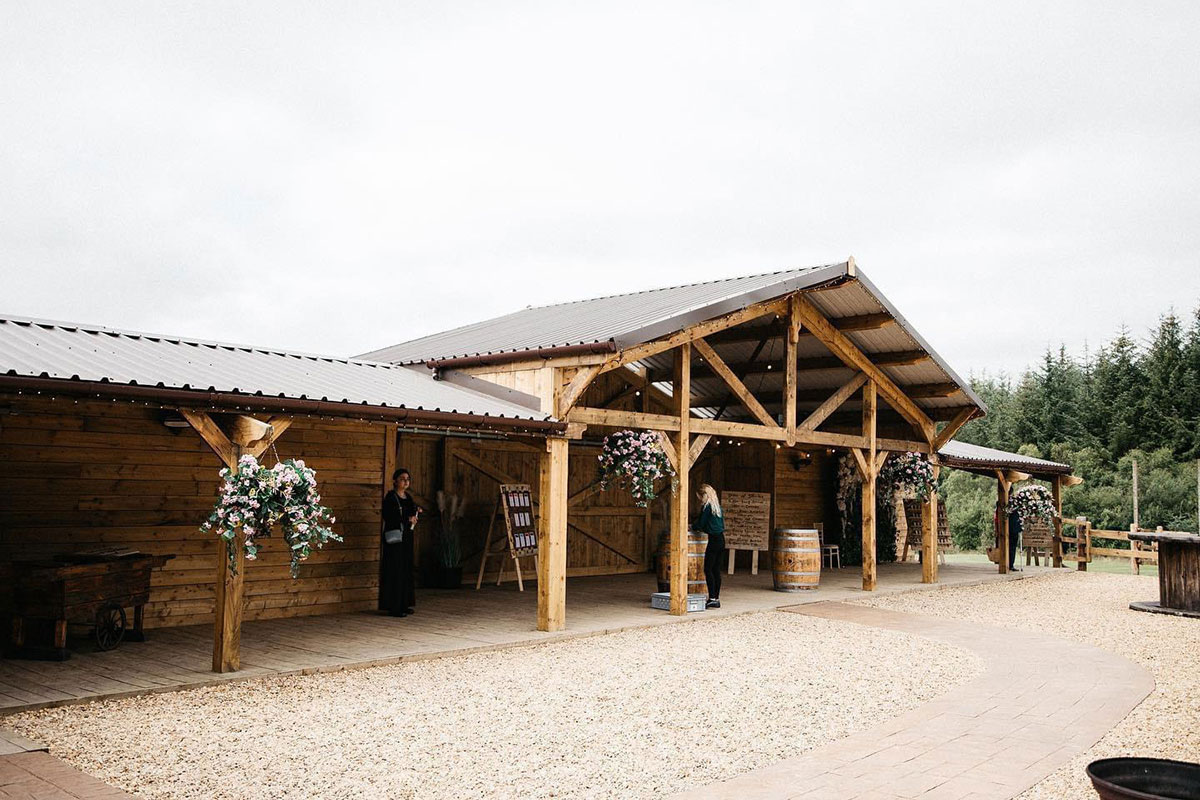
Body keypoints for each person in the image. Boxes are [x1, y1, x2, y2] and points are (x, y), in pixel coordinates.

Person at [381, 468, 419, 617]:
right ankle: (394, 606)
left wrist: (416, 514)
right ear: (395, 481)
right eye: (402, 479)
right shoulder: (391, 498)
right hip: (395, 539)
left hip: (406, 538)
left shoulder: (408, 497)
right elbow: (388, 516)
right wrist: (405, 519)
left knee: (406, 569)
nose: (406, 481)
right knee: (395, 570)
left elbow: (412, 511)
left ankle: (404, 603)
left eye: (408, 479)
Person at [693, 484, 725, 609]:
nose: (700, 500)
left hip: (713, 541)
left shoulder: (706, 508)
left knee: (708, 569)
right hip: (721, 540)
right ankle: (716, 598)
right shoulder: (717, 507)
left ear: (704, 495)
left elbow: (700, 523)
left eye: (699, 497)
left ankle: (711, 598)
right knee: (716, 570)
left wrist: (693, 527)